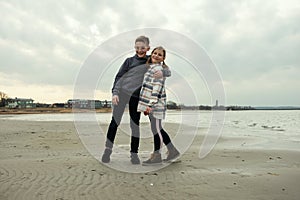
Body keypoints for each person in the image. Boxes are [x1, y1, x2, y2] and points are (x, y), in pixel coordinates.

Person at [101, 36, 171, 164]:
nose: (140, 50)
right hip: (121, 94)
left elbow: (165, 68)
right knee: (114, 123)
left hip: (136, 98)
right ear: (135, 47)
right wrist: (115, 93)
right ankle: (107, 151)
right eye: (137, 48)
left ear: (148, 48)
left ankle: (134, 154)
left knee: (135, 125)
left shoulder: (149, 61)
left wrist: (164, 73)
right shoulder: (128, 61)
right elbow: (119, 77)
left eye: (143, 48)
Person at [137, 46, 180, 165]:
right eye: (154, 53)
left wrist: (151, 104)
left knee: (156, 130)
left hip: (155, 104)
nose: (156, 55)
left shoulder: (157, 69)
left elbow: (157, 88)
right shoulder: (152, 68)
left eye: (159, 55)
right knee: (157, 129)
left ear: (163, 58)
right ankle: (172, 151)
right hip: (151, 104)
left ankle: (157, 155)